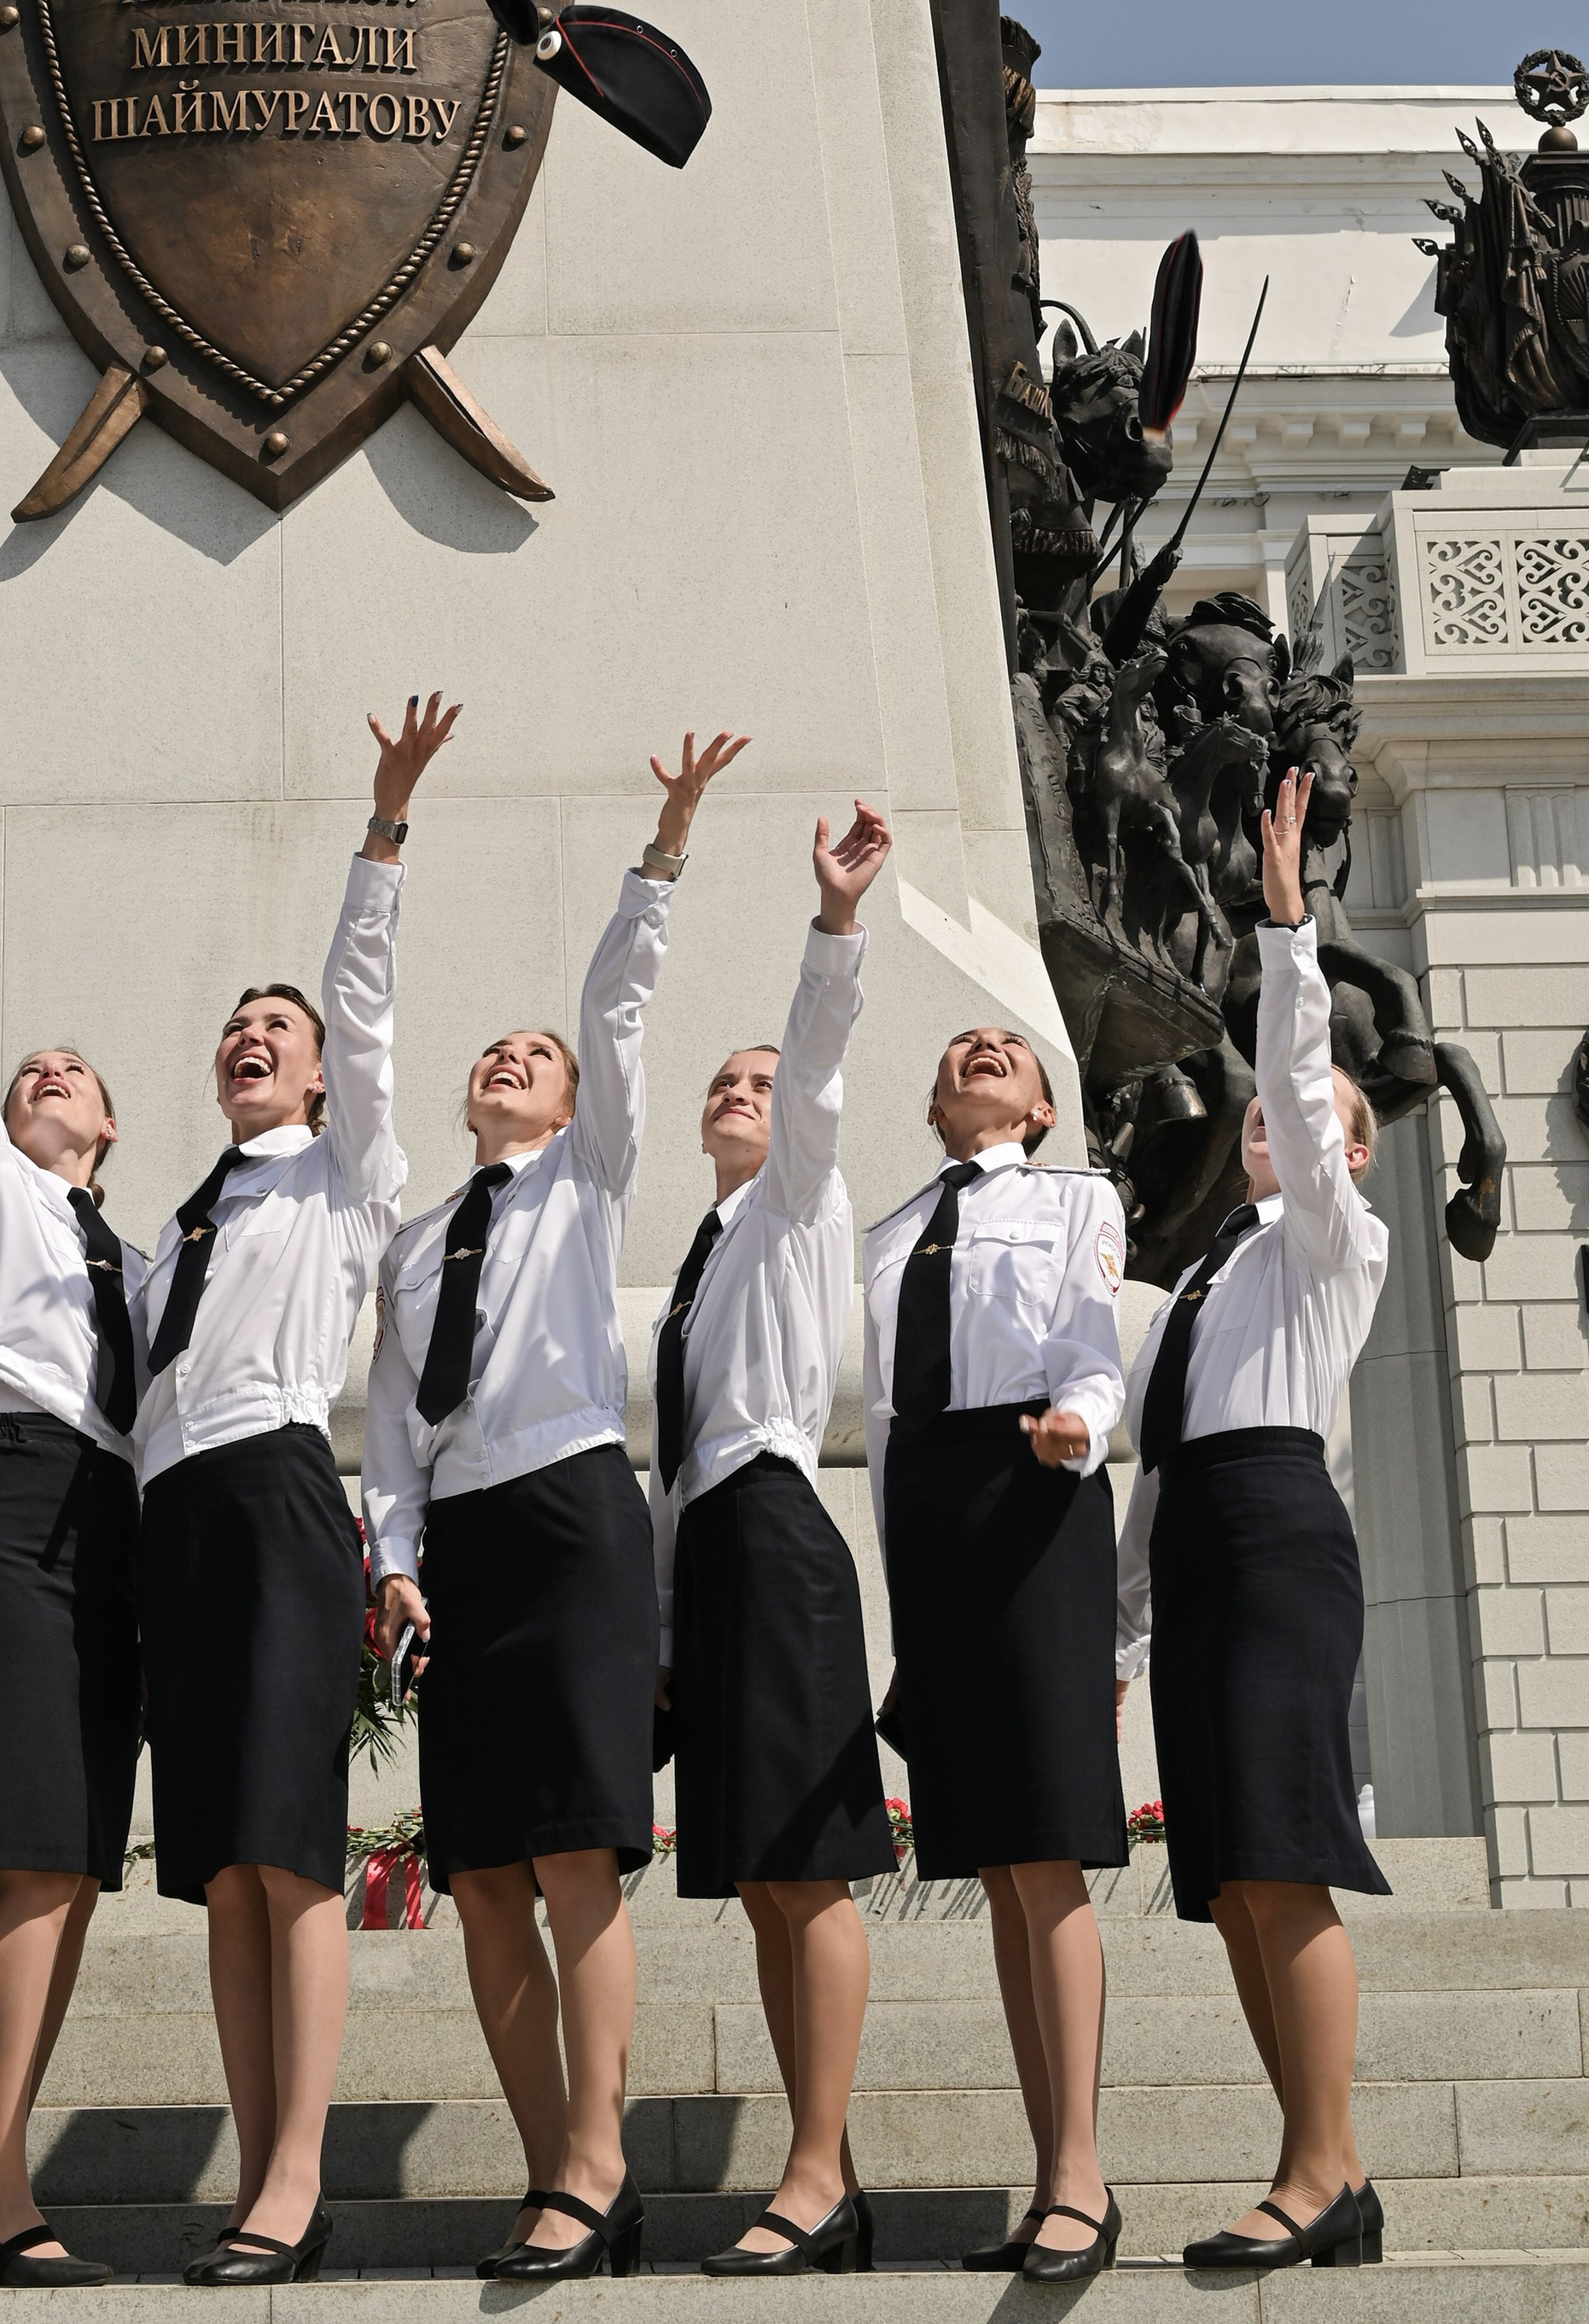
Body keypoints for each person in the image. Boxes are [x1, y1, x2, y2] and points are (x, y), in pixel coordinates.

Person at [365, 729, 748, 2286]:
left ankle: (596, 2161)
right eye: (497, 1055)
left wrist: (659, 851)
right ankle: (556, 2167)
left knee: (579, 1855)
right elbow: (389, 1426)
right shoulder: (408, 1242)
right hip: (463, 1543)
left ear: (578, 1103)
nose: (513, 1061)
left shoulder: (589, 1180)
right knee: (477, 1877)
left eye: (540, 1056)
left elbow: (617, 1007)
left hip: (578, 1514)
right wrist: (392, 1558)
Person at [134, 695, 455, 2289]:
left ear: (323, 1082)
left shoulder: (345, 1177)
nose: (250, 1038)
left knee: (289, 1852)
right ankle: (261, 2173)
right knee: (218, 1872)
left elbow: (369, 1010)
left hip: (273, 1500)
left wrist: (380, 835)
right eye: (235, 1027)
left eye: (280, 1030)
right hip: (177, 1518)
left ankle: (297, 2176)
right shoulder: (184, 1217)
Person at [1116, 769, 1391, 2275]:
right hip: (1207, 1536)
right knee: (1225, 1879)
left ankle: (1312, 2165)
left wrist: (1285, 934)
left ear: (1348, 1149)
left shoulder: (1334, 1246)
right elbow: (1158, 1465)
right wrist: (1118, 1627)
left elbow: (1291, 1082)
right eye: (1278, 1127)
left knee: (1285, 1855)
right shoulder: (1210, 1277)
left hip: (1282, 1528)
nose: (1283, 1132)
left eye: (1320, 1122)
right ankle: (1329, 2168)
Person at [649, 797, 897, 2278]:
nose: (750, 1092)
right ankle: (830, 2168)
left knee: (803, 1866)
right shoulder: (702, 1255)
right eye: (726, 1082)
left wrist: (836, 924)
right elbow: (673, 1477)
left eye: (763, 1078)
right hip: (718, 1554)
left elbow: (814, 1069)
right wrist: (674, 1637)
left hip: (785, 1526)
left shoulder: (803, 1196)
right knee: (757, 1874)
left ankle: (814, 2172)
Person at [0, 705, 141, 2287]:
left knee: (71, 1866)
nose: (46, 1074)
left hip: (113, 1518)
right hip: (5, 1491)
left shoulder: (141, 1250)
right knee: (31, 1857)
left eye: (78, 1072)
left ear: (109, 1129)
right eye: (33, 1073)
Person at [859, 1016, 1127, 2287]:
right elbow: (886, 1421)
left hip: (1033, 1482)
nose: (977, 1050)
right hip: (934, 1520)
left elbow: (1095, 1345)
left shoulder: (1079, 1197)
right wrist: (906, 1599)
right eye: (959, 1044)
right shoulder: (890, 1231)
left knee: (1047, 1845)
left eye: (1006, 1052)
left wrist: (1082, 1423)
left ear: (1034, 1111)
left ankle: (1082, 2174)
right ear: (934, 1103)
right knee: (1000, 1874)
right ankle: (1046, 2170)